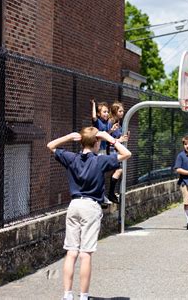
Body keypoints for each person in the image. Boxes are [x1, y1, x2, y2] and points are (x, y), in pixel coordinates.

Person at [47, 127, 131, 300]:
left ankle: (67, 295)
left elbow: (50, 145)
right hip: (91, 207)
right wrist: (110, 138)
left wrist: (69, 136)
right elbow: (126, 154)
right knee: (86, 253)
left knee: (71, 251)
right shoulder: (100, 160)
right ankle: (84, 296)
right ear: (96, 142)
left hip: (74, 205)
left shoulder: (72, 158)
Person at [173, 135, 188, 230]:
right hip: (185, 182)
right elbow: (178, 169)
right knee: (187, 202)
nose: (187, 146)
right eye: (185, 144)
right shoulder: (181, 156)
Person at [107, 101, 129, 204]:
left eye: (123, 111)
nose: (122, 112)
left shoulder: (119, 123)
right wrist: (119, 140)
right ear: (115, 111)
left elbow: (118, 137)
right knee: (118, 170)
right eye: (120, 111)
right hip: (110, 149)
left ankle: (111, 193)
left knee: (118, 171)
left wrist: (124, 138)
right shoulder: (110, 122)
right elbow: (107, 136)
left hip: (116, 149)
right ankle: (110, 193)